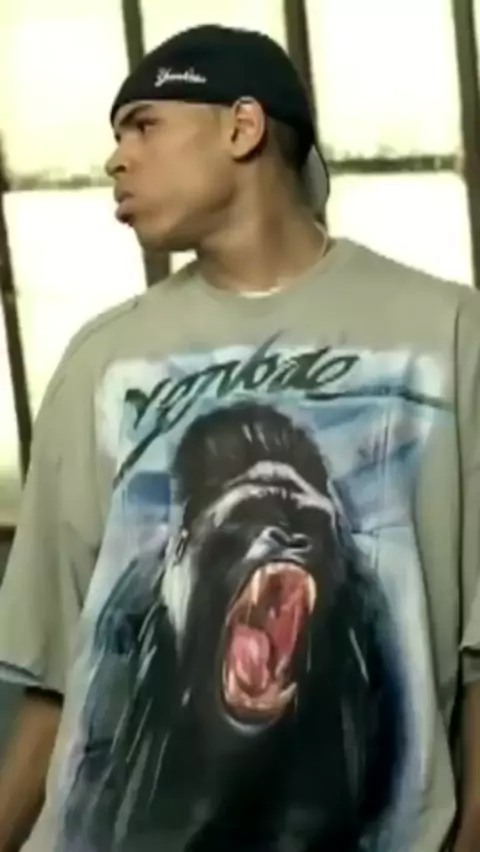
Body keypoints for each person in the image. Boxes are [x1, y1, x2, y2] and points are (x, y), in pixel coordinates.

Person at [0, 23, 479, 852]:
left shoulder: (447, 335)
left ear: (243, 127)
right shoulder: (103, 360)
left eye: (143, 125)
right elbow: (60, 675)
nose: (116, 159)